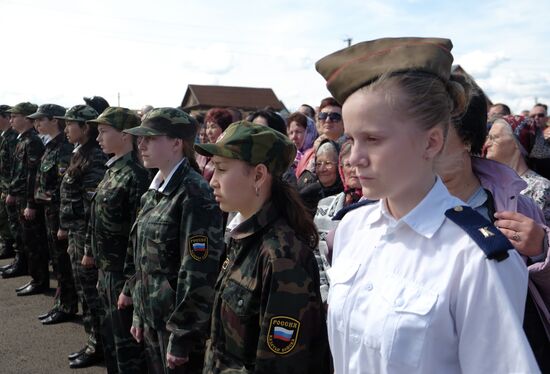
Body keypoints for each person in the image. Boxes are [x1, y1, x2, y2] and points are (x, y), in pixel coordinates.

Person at [315, 37, 539, 373]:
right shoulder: (350, 229)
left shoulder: (477, 258)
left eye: (373, 139)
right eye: (352, 139)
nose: (355, 158)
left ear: (431, 141)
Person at [195, 121, 330, 373]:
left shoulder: (282, 256)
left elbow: (281, 363)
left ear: (258, 175)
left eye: (222, 169)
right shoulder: (243, 236)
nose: (212, 180)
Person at [436, 89, 550, 371]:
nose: (424, 145)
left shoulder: (518, 205)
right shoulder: (397, 205)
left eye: (437, 133)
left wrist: (542, 249)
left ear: (466, 139)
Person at [122, 107, 224, 373]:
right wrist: (139, 311)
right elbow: (143, 257)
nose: (141, 144)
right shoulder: (155, 190)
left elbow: (198, 272)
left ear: (177, 143)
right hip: (154, 318)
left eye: (151, 138)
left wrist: (182, 335)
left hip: (176, 327)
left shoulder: (194, 194)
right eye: (141, 138)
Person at [79, 107, 149, 373]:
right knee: (110, 340)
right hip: (107, 272)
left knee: (126, 350)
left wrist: (129, 285)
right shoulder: (113, 170)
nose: (98, 139)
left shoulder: (136, 176)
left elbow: (137, 237)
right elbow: (95, 218)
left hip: (122, 275)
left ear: (124, 135)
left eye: (104, 132)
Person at [56, 104, 108, 369]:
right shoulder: (80, 153)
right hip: (76, 234)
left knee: (91, 294)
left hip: (85, 237)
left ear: (86, 127)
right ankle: (93, 341)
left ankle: (97, 346)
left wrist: (87, 248)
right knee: (84, 291)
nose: (66, 129)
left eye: (70, 124)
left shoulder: (95, 158)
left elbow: (93, 210)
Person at [27, 104, 78, 324]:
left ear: (54, 120)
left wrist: (61, 220)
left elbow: (63, 186)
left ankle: (67, 305)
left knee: (62, 262)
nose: (37, 123)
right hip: (49, 212)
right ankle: (61, 302)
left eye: (41, 120)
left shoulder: (64, 148)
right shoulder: (51, 145)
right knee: (57, 262)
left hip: (58, 213)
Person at [4, 102, 50, 296]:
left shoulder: (32, 141)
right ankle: (33, 275)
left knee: (34, 241)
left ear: (25, 118)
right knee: (26, 239)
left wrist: (30, 202)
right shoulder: (23, 139)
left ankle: (39, 280)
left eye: (15, 116)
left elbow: (32, 175)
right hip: (21, 195)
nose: (11, 119)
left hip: (28, 197)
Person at [313, 140, 362, 302]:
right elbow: (317, 254)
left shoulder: (379, 207)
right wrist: (324, 295)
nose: (353, 170)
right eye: (348, 165)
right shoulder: (325, 205)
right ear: (341, 169)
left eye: (358, 164)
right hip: (329, 300)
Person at [485, 115, 550, 224]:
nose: (487, 144)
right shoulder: (487, 181)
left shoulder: (541, 187)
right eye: (488, 138)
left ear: (516, 143)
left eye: (494, 138)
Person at [295, 97, 345, 179]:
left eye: (334, 116)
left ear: (344, 121)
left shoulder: (349, 151)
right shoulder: (309, 154)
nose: (328, 120)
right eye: (323, 116)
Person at [298, 140, 343, 214]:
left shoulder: (348, 196)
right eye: (318, 164)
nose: (322, 169)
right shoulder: (307, 196)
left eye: (328, 163)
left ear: (338, 166)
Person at [0, 105, 17, 261]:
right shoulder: (4, 136)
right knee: (4, 217)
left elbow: (14, 167)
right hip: (4, 184)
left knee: (9, 219)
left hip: (10, 186)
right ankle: (7, 244)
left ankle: (9, 247)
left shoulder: (12, 138)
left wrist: (11, 189)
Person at [197, 108, 233, 182]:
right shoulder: (202, 152)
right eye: (207, 127)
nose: (209, 132)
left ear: (224, 129)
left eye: (213, 127)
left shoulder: (228, 154)